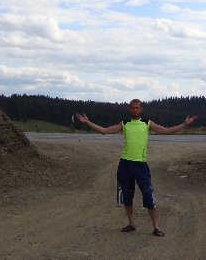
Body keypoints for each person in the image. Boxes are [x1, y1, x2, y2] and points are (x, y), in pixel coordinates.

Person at [75, 98, 197, 237]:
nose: (135, 110)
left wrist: (184, 124)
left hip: (141, 165)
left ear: (141, 109)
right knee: (127, 196)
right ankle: (131, 224)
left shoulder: (147, 123)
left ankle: (156, 227)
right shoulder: (124, 123)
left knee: (148, 196)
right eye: (133, 108)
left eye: (137, 108)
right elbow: (104, 131)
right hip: (125, 165)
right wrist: (88, 122)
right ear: (129, 109)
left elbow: (167, 131)